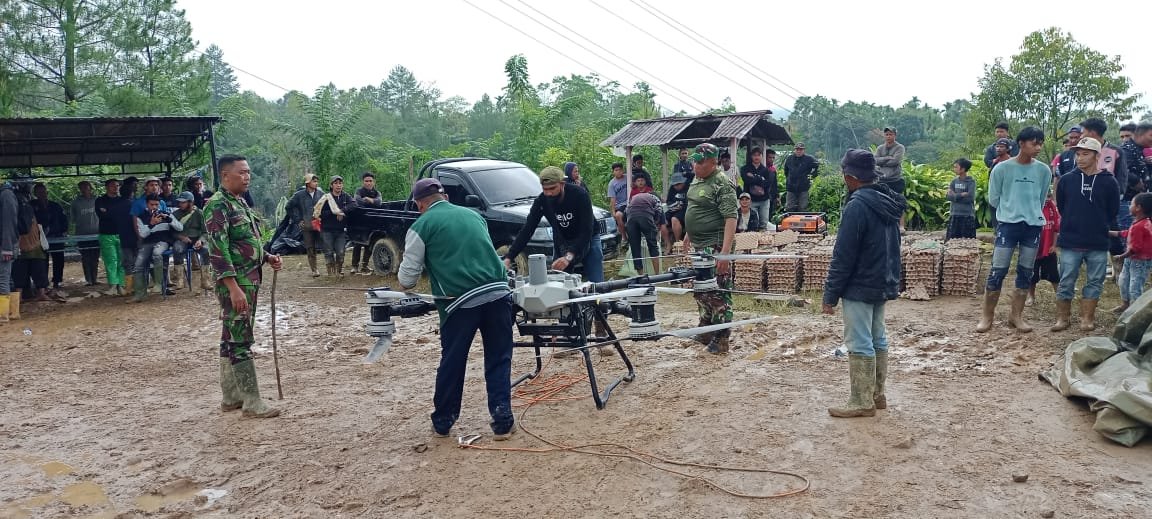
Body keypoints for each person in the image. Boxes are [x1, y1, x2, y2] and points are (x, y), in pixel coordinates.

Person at [398, 178, 516, 440]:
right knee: (498, 358)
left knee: (453, 361)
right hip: (499, 293)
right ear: (446, 198)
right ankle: (502, 421)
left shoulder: (421, 225)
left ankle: (443, 422)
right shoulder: (474, 216)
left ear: (419, 205)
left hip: (459, 301)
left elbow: (407, 280)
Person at [822, 149, 905, 418]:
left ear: (850, 177)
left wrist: (830, 294)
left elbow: (843, 255)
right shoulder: (887, 201)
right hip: (882, 280)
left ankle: (861, 401)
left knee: (859, 341)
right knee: (877, 337)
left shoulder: (857, 205)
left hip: (859, 283)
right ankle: (877, 394)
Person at [203, 154, 283, 419]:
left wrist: (267, 256)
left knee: (230, 337)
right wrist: (233, 287)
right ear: (225, 176)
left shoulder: (239, 203)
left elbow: (246, 242)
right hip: (236, 283)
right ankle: (252, 402)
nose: (247, 177)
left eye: (249, 172)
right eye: (242, 173)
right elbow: (218, 250)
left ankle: (231, 397)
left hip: (249, 277)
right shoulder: (217, 205)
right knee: (241, 340)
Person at [977, 127, 1051, 333]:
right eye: (1034, 143)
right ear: (1021, 143)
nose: (1038, 148)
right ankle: (987, 317)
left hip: (1033, 226)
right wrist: (1011, 210)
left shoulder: (1044, 170)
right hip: (1008, 225)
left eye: (1040, 144)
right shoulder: (1002, 169)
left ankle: (1016, 316)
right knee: (997, 270)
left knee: (1026, 271)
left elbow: (1041, 196)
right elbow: (993, 198)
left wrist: (1029, 211)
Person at [1052, 137, 1119, 332]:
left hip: (1097, 241)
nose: (1080, 158)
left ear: (1097, 156)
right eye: (1078, 154)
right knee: (1065, 280)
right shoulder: (1067, 180)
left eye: (1085, 154)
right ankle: (1062, 319)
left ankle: (1087, 319)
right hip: (1070, 240)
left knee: (1095, 281)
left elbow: (1112, 210)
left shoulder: (1109, 182)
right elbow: (1063, 207)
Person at [682, 143, 738, 354]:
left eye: (700, 162)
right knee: (701, 291)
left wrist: (724, 253)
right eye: (694, 160)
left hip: (714, 246)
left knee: (718, 292)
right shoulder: (697, 179)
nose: (695, 165)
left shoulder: (722, 183)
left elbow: (731, 218)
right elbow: (696, 207)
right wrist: (689, 233)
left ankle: (721, 337)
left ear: (713, 162)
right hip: (699, 245)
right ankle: (705, 329)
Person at [503, 166, 604, 283]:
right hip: (563, 240)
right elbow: (527, 230)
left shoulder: (579, 195)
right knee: (559, 283)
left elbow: (586, 229)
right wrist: (509, 257)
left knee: (596, 282)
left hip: (589, 237)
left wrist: (569, 256)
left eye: (552, 188)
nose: (549, 193)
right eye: (545, 189)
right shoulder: (541, 201)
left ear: (562, 184)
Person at [130, 194, 182, 302]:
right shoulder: (141, 216)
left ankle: (159, 284)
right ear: (146, 204)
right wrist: (151, 224)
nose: (154, 207)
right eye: (151, 204)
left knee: (157, 253)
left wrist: (169, 220)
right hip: (147, 243)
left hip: (163, 241)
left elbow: (180, 227)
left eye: (157, 204)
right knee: (138, 265)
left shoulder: (166, 214)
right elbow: (143, 234)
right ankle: (140, 294)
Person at [1109, 193, 1152, 315]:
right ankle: (1125, 304)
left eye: (1132, 204)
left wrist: (1121, 256)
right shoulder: (1139, 222)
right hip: (1132, 259)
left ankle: (1135, 311)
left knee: (1135, 286)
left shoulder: (1141, 225)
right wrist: (1110, 232)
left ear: (1138, 208)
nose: (1130, 206)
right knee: (1123, 281)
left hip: (1140, 261)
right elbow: (1127, 233)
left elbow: (1135, 248)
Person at [1026, 181, 1060, 307]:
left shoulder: (1052, 208)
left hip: (1049, 247)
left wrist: (1054, 245)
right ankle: (1031, 296)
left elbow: (1056, 229)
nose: (1046, 199)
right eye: (1044, 196)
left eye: (1048, 196)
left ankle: (1059, 296)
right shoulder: (1032, 208)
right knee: (1032, 275)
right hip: (1034, 247)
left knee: (1054, 274)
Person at [313, 176, 355, 276]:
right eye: (335, 183)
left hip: (340, 230)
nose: (338, 185)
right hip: (327, 230)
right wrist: (334, 213)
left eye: (340, 183)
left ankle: (339, 271)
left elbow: (354, 205)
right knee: (328, 252)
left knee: (341, 252)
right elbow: (319, 212)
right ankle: (331, 274)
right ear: (331, 185)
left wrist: (341, 211)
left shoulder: (345, 196)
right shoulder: (325, 198)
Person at [32, 183, 67, 290]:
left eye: (44, 192)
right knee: (42, 261)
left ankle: (57, 281)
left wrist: (64, 230)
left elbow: (64, 220)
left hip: (57, 236)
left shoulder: (55, 206)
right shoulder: (32, 206)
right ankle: (43, 284)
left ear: (47, 193)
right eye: (39, 192)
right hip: (40, 238)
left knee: (59, 259)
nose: (42, 194)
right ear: (35, 194)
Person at [288, 173, 324, 277]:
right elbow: (288, 207)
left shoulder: (321, 194)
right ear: (308, 183)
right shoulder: (299, 195)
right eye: (314, 181)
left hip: (319, 224)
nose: (316, 183)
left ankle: (330, 267)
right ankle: (314, 270)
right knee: (310, 248)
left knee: (327, 245)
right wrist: (298, 220)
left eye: (316, 181)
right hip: (307, 226)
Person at [95, 179, 126, 296]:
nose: (116, 188)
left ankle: (122, 284)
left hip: (121, 233)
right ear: (107, 187)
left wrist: (109, 212)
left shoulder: (122, 200)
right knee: (110, 260)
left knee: (122, 259)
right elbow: (102, 215)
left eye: (117, 186)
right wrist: (114, 213)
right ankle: (113, 285)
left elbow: (121, 215)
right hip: (106, 234)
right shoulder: (100, 200)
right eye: (113, 186)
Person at [172, 191, 206, 291]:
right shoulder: (175, 214)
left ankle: (205, 280)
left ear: (190, 202)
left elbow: (205, 231)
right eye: (180, 202)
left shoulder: (199, 213)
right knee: (177, 248)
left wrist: (201, 240)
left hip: (197, 240)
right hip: (182, 240)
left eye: (183, 202)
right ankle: (180, 280)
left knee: (206, 251)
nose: (180, 204)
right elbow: (171, 233)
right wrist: (181, 237)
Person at [875, 127, 906, 233]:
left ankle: (901, 226)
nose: (888, 136)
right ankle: (882, 225)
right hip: (882, 179)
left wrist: (883, 160)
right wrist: (888, 157)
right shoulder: (880, 148)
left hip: (895, 179)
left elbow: (895, 161)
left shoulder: (900, 147)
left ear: (895, 135)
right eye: (887, 134)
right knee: (881, 201)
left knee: (899, 202)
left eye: (891, 134)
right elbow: (875, 161)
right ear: (884, 135)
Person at [350, 172, 382, 274]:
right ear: (363, 182)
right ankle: (354, 266)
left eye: (370, 181)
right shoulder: (358, 191)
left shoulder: (377, 192)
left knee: (369, 244)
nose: (368, 183)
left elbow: (379, 202)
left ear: (374, 182)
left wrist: (369, 200)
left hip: (372, 222)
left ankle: (365, 266)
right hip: (359, 221)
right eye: (366, 181)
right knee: (357, 244)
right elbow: (357, 201)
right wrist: (372, 202)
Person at [71, 180, 101, 286]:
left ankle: (95, 278)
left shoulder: (97, 200)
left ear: (90, 188)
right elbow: (73, 218)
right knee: (85, 257)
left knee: (95, 257)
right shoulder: (76, 202)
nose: (85, 190)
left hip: (96, 233)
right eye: (82, 188)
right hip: (82, 234)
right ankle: (88, 279)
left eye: (87, 187)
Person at [626, 191, 662, 276]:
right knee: (652, 245)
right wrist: (655, 224)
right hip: (645, 216)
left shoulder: (634, 197)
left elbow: (626, 211)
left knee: (635, 248)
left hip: (630, 218)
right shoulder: (655, 198)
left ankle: (641, 276)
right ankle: (657, 275)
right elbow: (659, 211)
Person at [742, 147, 777, 228]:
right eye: (754, 155)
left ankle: (763, 240)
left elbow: (767, 184)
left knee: (763, 223)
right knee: (752, 224)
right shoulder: (745, 169)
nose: (756, 157)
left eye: (758, 155)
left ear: (762, 156)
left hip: (764, 200)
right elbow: (747, 181)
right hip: (751, 200)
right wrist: (761, 179)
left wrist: (753, 177)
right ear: (751, 156)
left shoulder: (766, 170)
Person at [945, 158, 977, 240]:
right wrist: (961, 195)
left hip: (967, 215)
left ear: (963, 169)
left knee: (967, 241)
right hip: (954, 214)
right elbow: (948, 197)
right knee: (952, 241)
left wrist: (954, 196)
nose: (954, 169)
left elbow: (970, 198)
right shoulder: (954, 181)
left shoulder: (971, 182)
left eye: (956, 167)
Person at [0, 180, 18, 323]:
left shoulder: (6, 195)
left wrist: (7, 247)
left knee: (3, 278)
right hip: (5, 243)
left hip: (4, 245)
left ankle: (3, 314)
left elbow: (8, 222)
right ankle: (12, 311)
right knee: (6, 277)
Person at [783, 143, 819, 213]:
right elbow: (786, 171)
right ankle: (790, 222)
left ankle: (802, 223)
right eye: (797, 149)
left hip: (804, 187)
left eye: (801, 149)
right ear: (794, 150)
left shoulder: (809, 159)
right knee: (789, 208)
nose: (799, 151)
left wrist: (811, 176)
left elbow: (818, 167)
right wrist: (788, 179)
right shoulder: (789, 158)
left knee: (803, 208)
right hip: (791, 187)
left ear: (804, 150)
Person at [664, 173, 689, 246]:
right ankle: (667, 243)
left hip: (684, 210)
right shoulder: (672, 189)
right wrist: (674, 205)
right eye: (675, 185)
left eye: (678, 184)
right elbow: (668, 201)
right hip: (673, 209)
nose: (676, 186)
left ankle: (678, 243)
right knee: (662, 219)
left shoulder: (688, 188)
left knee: (674, 219)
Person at [607, 163, 629, 244]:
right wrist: (612, 211)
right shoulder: (612, 184)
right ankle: (624, 236)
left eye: (620, 170)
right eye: (616, 170)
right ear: (613, 172)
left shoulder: (628, 177)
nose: (618, 172)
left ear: (622, 170)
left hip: (631, 201)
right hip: (620, 204)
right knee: (618, 216)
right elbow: (612, 199)